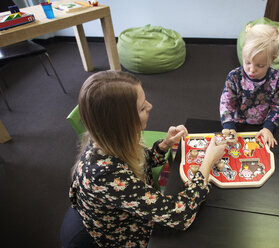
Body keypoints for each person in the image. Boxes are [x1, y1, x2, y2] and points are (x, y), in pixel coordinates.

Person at [64, 71, 227, 248]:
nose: (150, 106)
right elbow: (180, 216)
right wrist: (208, 162)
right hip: (124, 235)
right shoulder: (105, 176)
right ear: (122, 123)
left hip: (128, 210)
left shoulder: (112, 139)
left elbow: (142, 162)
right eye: (142, 108)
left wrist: (164, 145)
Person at [220, 23, 279, 148]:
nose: (251, 70)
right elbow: (226, 103)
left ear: (273, 59)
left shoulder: (278, 78)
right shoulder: (234, 76)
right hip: (236, 125)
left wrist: (268, 127)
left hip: (262, 127)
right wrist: (228, 126)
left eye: (260, 65)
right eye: (247, 62)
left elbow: (278, 106)